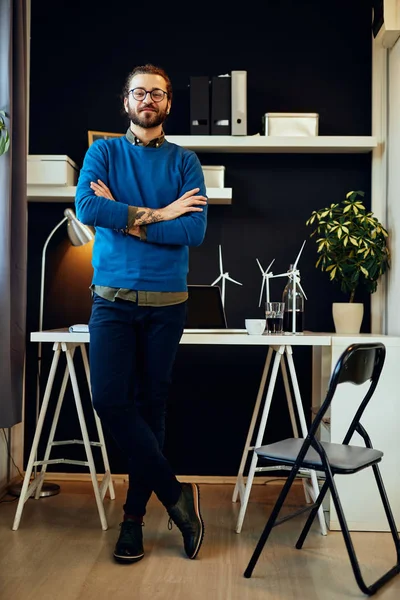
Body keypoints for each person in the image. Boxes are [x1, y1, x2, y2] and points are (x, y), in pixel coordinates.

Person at [75, 64, 208, 564]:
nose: (147, 99)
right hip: (110, 299)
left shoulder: (185, 161)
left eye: (157, 92)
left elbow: (192, 233)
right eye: (138, 92)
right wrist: (161, 214)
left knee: (152, 409)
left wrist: (126, 218)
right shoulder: (103, 152)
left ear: (169, 103)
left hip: (167, 304)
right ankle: (176, 496)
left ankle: (133, 521)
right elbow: (87, 208)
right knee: (109, 399)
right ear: (125, 101)